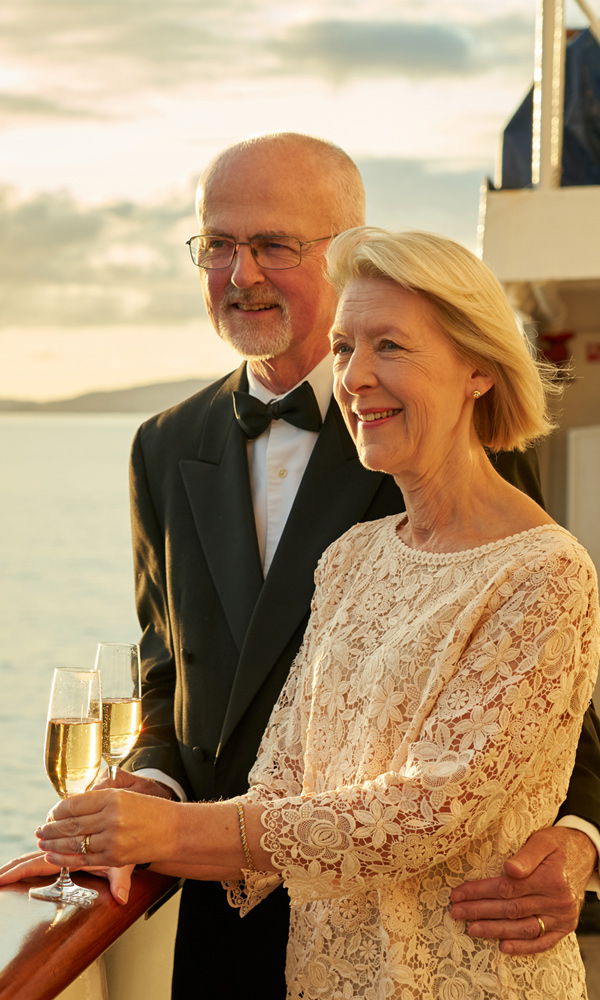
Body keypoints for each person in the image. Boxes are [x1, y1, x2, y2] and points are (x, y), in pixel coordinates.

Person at [1, 135, 599, 995]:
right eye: (218, 245)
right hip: (233, 911)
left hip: (449, 931)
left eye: (275, 245)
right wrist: (143, 802)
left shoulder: (475, 472)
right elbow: (170, 671)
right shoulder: (165, 448)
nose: (241, 273)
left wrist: (579, 838)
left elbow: (546, 707)